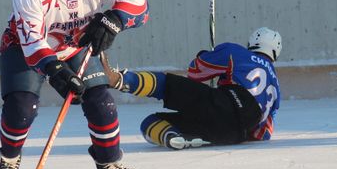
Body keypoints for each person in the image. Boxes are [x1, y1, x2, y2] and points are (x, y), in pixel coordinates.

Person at [0, 0, 149, 169]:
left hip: (75, 47)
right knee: (22, 107)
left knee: (101, 101)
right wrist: (57, 72)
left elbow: (138, 0)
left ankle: (108, 164)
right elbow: (32, 43)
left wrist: (114, 21)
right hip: (25, 50)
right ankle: (10, 156)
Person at [103, 27, 281, 149]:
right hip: (236, 133)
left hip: (228, 102)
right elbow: (263, 133)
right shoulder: (276, 87)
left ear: (252, 42)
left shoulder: (238, 52)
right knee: (154, 119)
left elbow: (196, 71)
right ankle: (177, 138)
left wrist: (205, 54)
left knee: (165, 86)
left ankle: (119, 79)